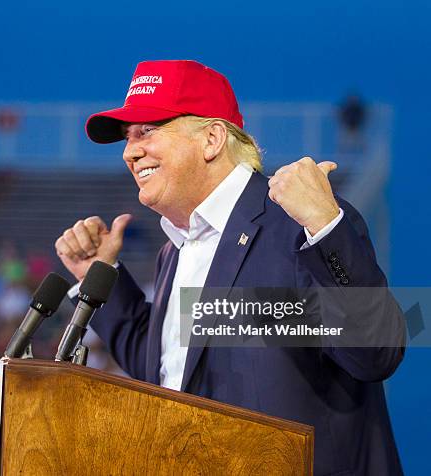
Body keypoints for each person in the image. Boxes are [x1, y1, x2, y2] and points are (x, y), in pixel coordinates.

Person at [54, 60, 405, 475]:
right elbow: (168, 373)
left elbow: (375, 352)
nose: (130, 151)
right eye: (128, 138)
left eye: (147, 130)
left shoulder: (296, 223)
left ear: (212, 140)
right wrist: (100, 276)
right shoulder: (176, 251)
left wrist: (327, 227)